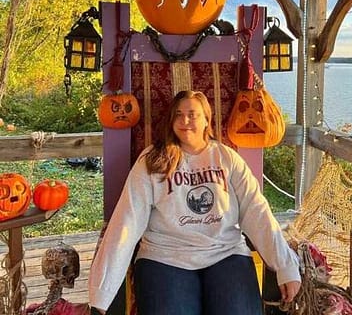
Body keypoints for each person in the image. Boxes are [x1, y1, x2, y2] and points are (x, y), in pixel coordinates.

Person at [89, 90, 301, 315]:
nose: (184, 120)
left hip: (224, 252)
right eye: (178, 115)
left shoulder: (227, 158)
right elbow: (127, 221)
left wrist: (286, 266)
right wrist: (102, 292)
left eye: (192, 114)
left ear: (206, 120)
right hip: (165, 256)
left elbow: (256, 211)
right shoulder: (152, 161)